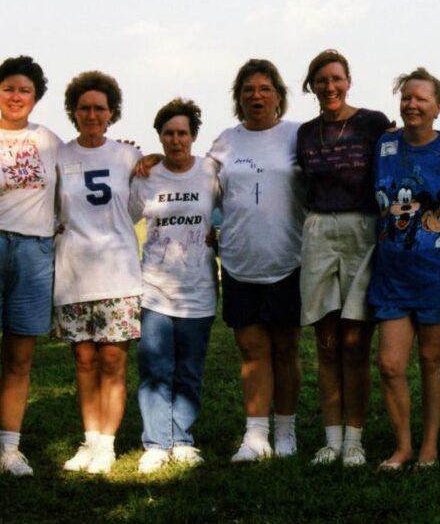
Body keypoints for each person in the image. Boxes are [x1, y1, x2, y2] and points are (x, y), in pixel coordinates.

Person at [369, 68, 440, 470]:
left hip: (439, 273)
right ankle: (403, 446)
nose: (412, 104)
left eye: (422, 99)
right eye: (407, 97)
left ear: (438, 108)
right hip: (392, 272)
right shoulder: (384, 146)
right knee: (390, 364)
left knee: (432, 361)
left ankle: (429, 447)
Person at [296, 50, 391, 467]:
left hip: (362, 230)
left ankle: (355, 439)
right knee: (327, 342)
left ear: (348, 80)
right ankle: (331, 439)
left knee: (355, 342)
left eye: (336, 79)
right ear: (312, 86)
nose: (330, 87)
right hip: (319, 229)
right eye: (321, 80)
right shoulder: (303, 133)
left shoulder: (373, 122)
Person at [208, 59, 305, 462]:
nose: (256, 96)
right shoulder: (225, 142)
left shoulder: (298, 136)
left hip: (288, 258)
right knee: (251, 350)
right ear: (238, 98)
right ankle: (255, 436)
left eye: (265, 89)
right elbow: (201, 188)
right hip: (239, 262)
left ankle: (286, 432)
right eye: (248, 89)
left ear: (279, 96)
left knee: (285, 349)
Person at [54, 71, 143, 475]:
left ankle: (107, 444)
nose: (92, 114)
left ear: (112, 114)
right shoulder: (58, 154)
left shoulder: (127, 156)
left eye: (100, 108)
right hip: (72, 273)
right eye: (85, 107)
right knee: (84, 361)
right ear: (74, 111)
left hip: (118, 274)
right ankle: (89, 440)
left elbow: (138, 208)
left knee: (112, 360)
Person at [129, 98, 219, 473]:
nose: (176, 140)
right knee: (155, 367)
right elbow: (124, 219)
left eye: (183, 133)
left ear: (194, 136)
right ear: (160, 137)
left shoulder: (211, 172)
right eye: (168, 133)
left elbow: (231, 212)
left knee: (189, 369)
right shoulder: (146, 176)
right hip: (154, 286)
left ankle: (181, 438)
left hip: (198, 288)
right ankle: (156, 442)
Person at [0, 56, 61, 477]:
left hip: (35, 251)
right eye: (8, 88)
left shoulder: (50, 140)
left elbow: (94, 162)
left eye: (24, 90)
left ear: (36, 98)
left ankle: (9, 448)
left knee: (20, 357)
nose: (16, 96)